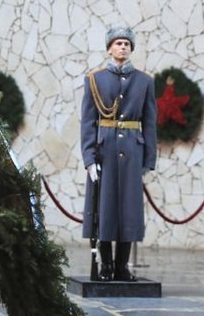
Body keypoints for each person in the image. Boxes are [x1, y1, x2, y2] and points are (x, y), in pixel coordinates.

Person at [81, 25, 158, 282]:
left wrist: (149, 159)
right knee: (104, 209)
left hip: (133, 151)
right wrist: (89, 158)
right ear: (109, 48)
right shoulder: (95, 80)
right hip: (105, 151)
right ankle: (106, 265)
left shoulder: (145, 81)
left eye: (126, 44)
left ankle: (122, 266)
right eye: (118, 43)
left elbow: (149, 121)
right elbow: (88, 122)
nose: (122, 47)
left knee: (129, 210)